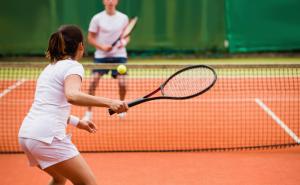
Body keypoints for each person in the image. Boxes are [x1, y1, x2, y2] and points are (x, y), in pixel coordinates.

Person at [18, 25, 128, 185]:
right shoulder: (73, 66)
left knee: (59, 178)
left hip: (27, 135)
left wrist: (77, 122)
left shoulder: (49, 68)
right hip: (47, 138)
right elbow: (72, 95)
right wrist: (110, 102)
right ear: (80, 46)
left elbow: (50, 106)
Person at [83, 0, 130, 121]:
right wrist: (102, 47)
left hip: (119, 56)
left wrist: (123, 43)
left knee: (123, 84)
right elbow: (90, 38)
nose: (110, 1)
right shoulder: (97, 18)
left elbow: (126, 35)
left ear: (117, 1)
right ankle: (88, 113)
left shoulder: (123, 18)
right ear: (104, 1)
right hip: (101, 56)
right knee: (93, 82)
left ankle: (121, 107)